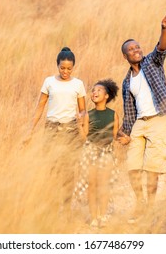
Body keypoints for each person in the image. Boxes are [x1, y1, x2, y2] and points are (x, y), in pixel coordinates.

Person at [117, 14, 166, 224]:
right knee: (132, 166)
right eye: (131, 49)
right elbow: (130, 111)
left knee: (152, 168)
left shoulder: (152, 62)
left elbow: (162, 48)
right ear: (125, 56)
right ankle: (139, 203)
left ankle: (150, 208)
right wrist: (122, 131)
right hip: (139, 124)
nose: (136, 50)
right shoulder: (126, 81)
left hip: (159, 118)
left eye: (137, 47)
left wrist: (164, 29)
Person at [26, 47, 87, 211]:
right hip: (52, 129)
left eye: (69, 68)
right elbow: (40, 107)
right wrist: (30, 131)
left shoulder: (78, 84)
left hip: (71, 130)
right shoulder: (49, 82)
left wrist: (82, 120)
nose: (65, 71)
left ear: (73, 67)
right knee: (52, 169)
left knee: (68, 171)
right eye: (62, 68)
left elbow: (83, 109)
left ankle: (66, 207)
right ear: (57, 65)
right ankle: (51, 207)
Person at [79, 79, 120, 228]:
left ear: (107, 96)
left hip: (107, 153)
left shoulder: (113, 114)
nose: (94, 92)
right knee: (92, 184)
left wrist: (124, 138)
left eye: (99, 90)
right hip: (90, 151)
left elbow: (115, 135)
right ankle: (94, 217)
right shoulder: (88, 115)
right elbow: (84, 136)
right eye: (93, 90)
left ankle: (103, 216)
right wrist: (79, 124)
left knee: (104, 185)